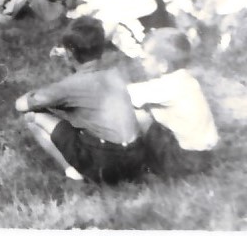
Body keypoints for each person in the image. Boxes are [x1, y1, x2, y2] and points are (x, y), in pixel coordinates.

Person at [14, 17, 145, 184]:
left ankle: (73, 174)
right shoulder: (117, 74)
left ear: (69, 54)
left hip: (104, 165)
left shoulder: (69, 86)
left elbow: (20, 105)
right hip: (136, 160)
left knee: (32, 116)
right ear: (101, 48)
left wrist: (33, 93)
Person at [126, 28, 218, 177]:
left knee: (137, 114)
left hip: (184, 161)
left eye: (145, 58)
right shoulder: (185, 80)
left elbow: (126, 94)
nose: (141, 62)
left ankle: (134, 164)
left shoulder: (167, 87)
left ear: (163, 65)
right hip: (204, 156)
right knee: (147, 111)